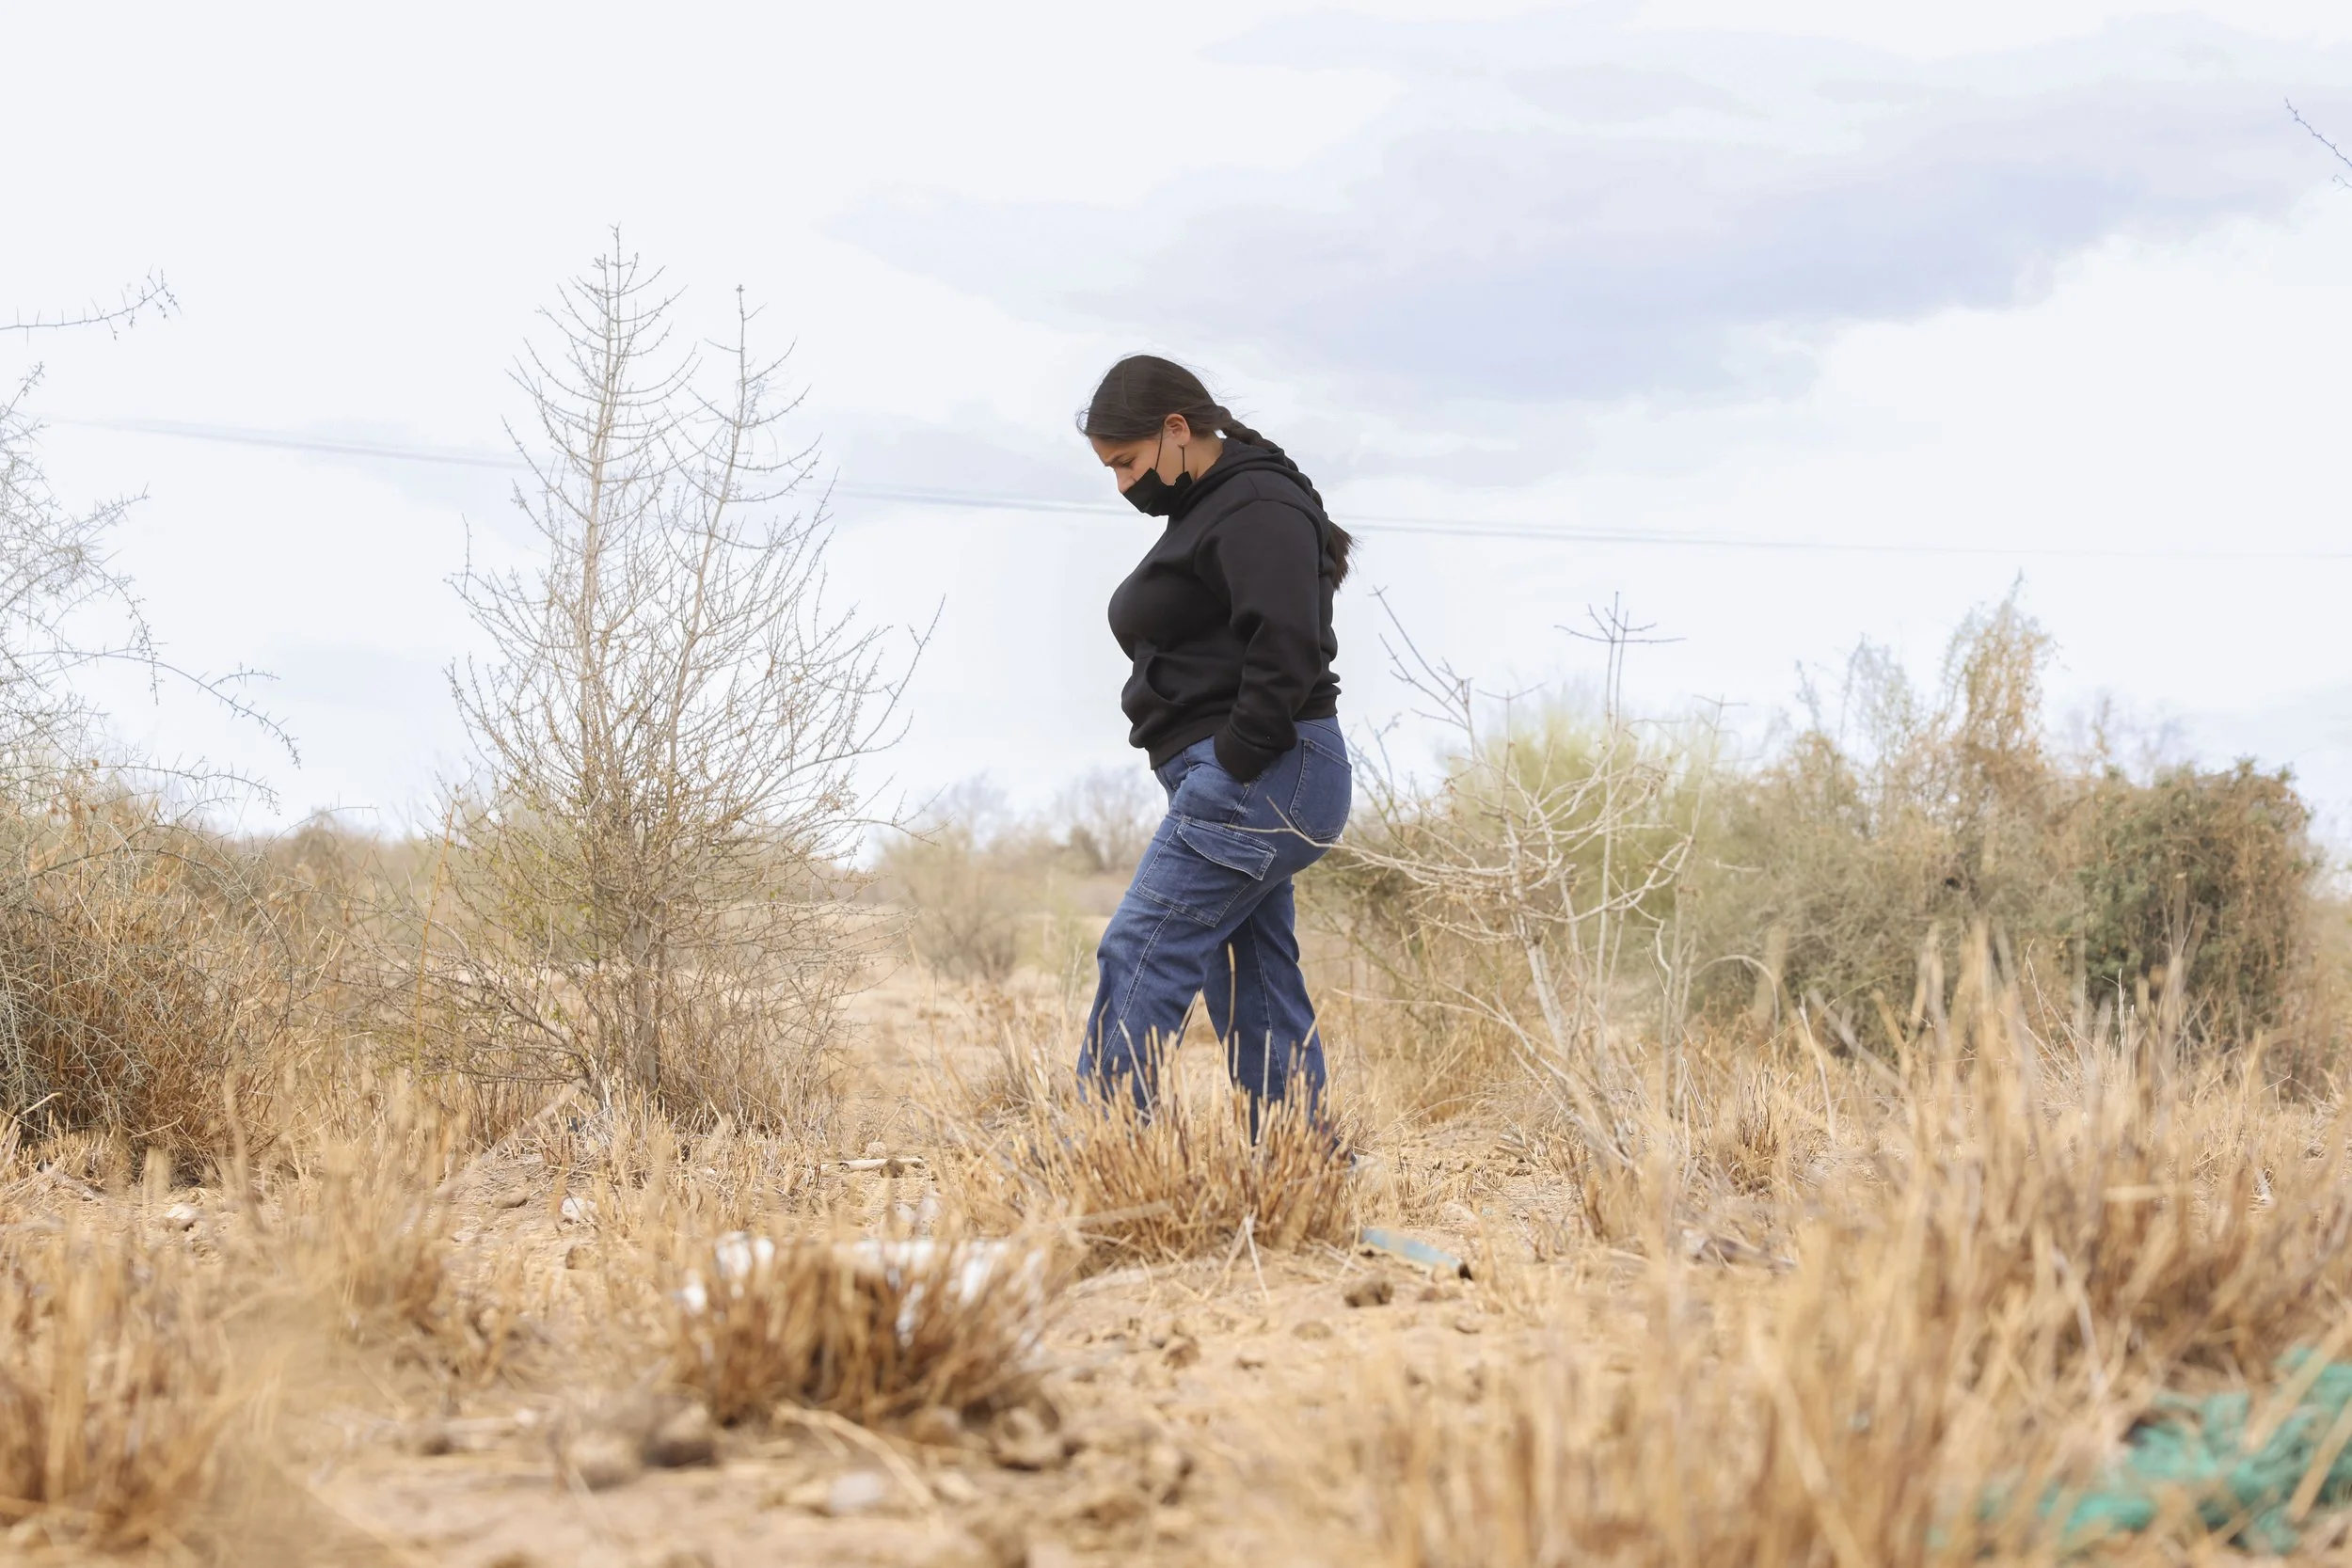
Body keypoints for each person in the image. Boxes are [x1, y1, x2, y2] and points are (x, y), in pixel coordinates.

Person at [1074, 355, 1354, 1133]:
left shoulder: (1256, 501)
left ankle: (1101, 1154)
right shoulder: (1215, 505)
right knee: (1251, 971)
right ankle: (1299, 1160)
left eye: (1127, 461)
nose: (1124, 484)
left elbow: (1288, 646)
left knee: (1142, 947)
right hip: (1262, 770)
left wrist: (1231, 763)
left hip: (1269, 768)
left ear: (1176, 429)